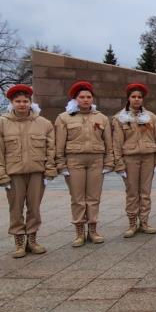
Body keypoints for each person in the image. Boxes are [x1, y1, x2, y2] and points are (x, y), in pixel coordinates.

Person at [0, 83, 56, 258]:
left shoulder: (43, 123)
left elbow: (51, 149)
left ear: (30, 102)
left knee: (34, 208)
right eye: (18, 101)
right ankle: (19, 241)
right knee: (16, 208)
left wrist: (50, 170)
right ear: (12, 103)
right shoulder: (1, 124)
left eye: (25, 101)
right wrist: (0, 173)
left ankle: (32, 239)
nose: (22, 104)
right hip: (13, 173)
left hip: (36, 171)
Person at [54, 80, 112, 247]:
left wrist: (109, 162)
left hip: (96, 160)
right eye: (82, 97)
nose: (86, 100)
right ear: (75, 99)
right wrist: (61, 164)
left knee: (94, 197)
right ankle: (79, 232)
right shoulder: (64, 118)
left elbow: (108, 142)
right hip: (74, 160)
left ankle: (93, 230)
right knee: (78, 198)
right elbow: (59, 143)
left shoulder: (101, 117)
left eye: (88, 97)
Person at [111, 82, 156, 237]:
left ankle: (144, 222)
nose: (137, 100)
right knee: (132, 192)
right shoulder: (120, 118)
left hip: (148, 157)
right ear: (128, 98)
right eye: (133, 97)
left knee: (145, 192)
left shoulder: (151, 117)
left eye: (139, 97)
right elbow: (117, 143)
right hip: (130, 159)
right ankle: (132, 223)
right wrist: (119, 164)